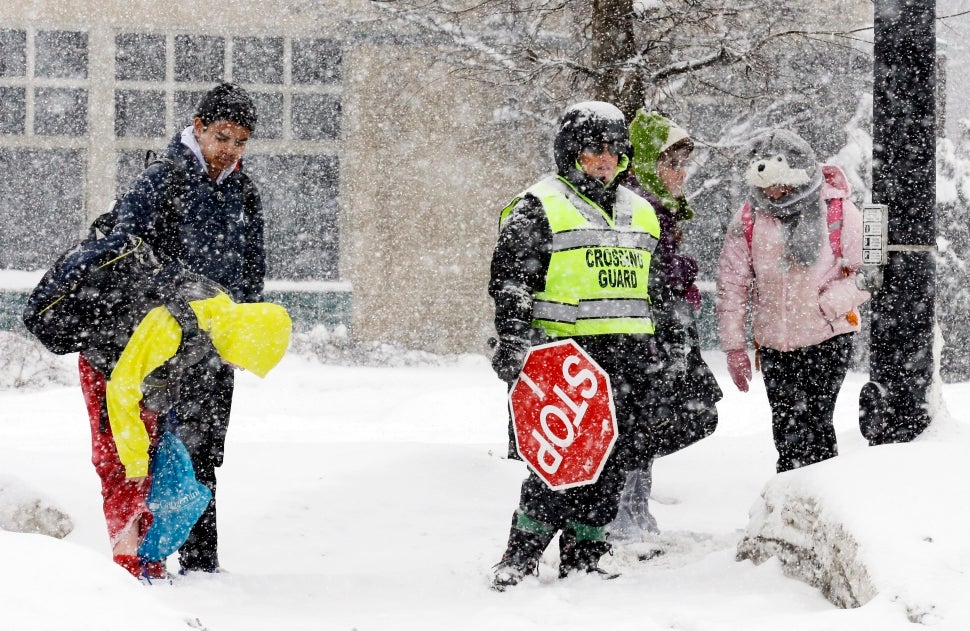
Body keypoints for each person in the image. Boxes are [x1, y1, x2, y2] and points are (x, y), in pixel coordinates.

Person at [488, 101, 664, 589]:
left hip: (626, 360)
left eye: (613, 150)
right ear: (571, 153)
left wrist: (667, 347)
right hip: (561, 360)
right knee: (556, 464)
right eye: (593, 150)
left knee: (608, 466)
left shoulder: (643, 212)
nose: (605, 160)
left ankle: (585, 559)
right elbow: (511, 283)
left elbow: (658, 291)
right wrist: (516, 342)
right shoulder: (539, 206)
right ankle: (519, 559)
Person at [111, 82, 265, 573]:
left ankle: (201, 564)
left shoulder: (244, 191)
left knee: (206, 448)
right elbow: (125, 251)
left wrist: (244, 325)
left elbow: (251, 271)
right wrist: (176, 300)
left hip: (216, 347)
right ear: (198, 128)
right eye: (221, 137)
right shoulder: (161, 180)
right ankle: (144, 558)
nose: (229, 151)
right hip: (166, 344)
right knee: (157, 449)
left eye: (240, 142)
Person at [78, 276, 291, 580]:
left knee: (149, 464)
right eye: (246, 361)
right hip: (106, 372)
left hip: (138, 381)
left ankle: (148, 562)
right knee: (122, 467)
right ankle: (125, 572)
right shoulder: (179, 322)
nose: (240, 368)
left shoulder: (216, 316)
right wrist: (134, 458)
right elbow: (121, 388)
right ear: (244, 338)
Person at [716, 129, 870, 473]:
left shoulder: (837, 209)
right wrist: (734, 347)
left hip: (826, 339)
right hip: (773, 343)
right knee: (786, 432)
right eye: (764, 184)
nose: (771, 192)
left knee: (816, 424)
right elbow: (732, 284)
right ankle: (788, 505)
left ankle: (820, 502)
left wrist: (827, 304)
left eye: (779, 182)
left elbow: (869, 272)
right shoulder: (749, 217)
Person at [607, 110, 721, 546]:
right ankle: (621, 520)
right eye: (670, 163)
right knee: (639, 424)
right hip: (641, 337)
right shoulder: (637, 210)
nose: (680, 173)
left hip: (658, 334)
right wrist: (677, 282)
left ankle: (633, 516)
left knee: (650, 423)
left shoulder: (660, 209)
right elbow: (645, 274)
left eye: (682, 163)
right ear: (642, 165)